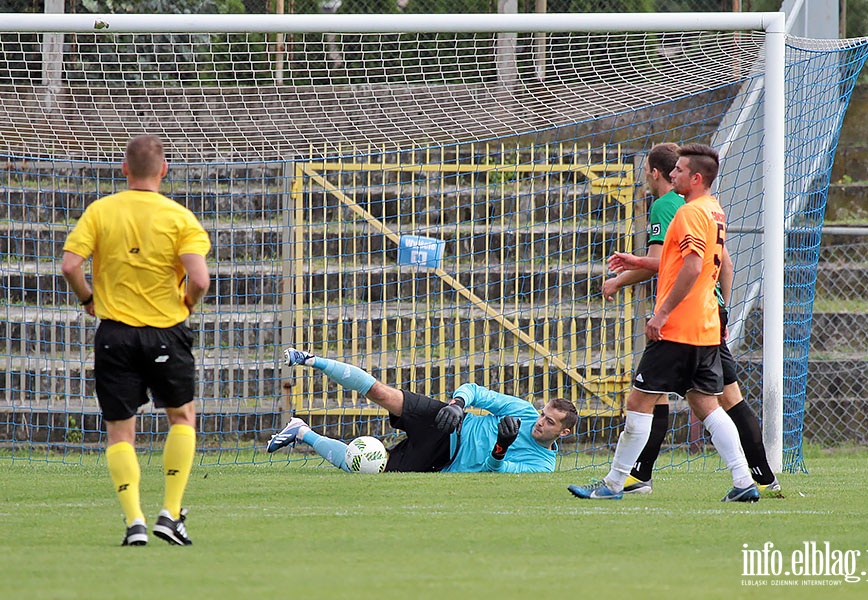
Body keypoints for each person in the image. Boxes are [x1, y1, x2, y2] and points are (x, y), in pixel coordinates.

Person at [569, 143, 759, 502]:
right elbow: (706, 265)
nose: (673, 174)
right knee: (707, 406)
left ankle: (614, 484)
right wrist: (638, 262)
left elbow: (691, 266)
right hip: (704, 327)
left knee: (638, 402)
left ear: (696, 178)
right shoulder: (714, 210)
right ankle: (743, 481)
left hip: (679, 328)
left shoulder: (688, 213)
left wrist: (662, 313)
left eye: (681, 170)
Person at [61, 134, 211, 546]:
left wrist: (89, 299)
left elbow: (70, 265)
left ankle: (135, 523)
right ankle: (171, 512)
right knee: (181, 419)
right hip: (167, 332)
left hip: (115, 335)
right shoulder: (179, 218)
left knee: (119, 433)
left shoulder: (101, 211)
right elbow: (199, 279)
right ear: (163, 170)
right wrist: (187, 303)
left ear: (125, 169)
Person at [269, 348, 578, 473]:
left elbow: (498, 471)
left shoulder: (543, 467)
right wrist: (458, 404)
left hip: (443, 459)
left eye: (549, 422)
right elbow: (476, 391)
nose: (539, 422)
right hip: (449, 422)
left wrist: (500, 448)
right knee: (382, 393)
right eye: (542, 414)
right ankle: (310, 359)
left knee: (366, 467)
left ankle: (302, 431)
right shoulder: (523, 411)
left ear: (563, 433)